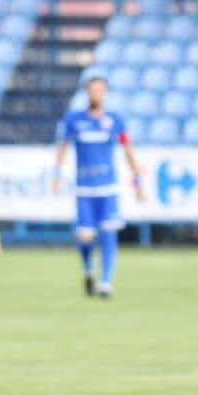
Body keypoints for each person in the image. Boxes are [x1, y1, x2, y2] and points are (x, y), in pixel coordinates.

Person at [51, 76, 145, 299]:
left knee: (108, 233)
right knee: (84, 238)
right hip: (84, 189)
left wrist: (138, 180)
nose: (96, 94)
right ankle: (88, 270)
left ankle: (106, 283)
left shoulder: (115, 121)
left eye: (100, 90)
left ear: (105, 93)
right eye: (92, 90)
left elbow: (127, 149)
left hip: (108, 188)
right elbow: (63, 147)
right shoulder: (74, 120)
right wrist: (56, 173)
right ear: (87, 93)